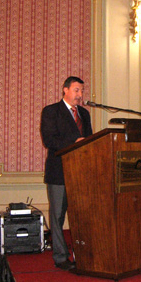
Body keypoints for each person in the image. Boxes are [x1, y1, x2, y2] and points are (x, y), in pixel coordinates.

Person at [40, 76, 93, 270]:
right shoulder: (51, 111)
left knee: (80, 216)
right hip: (59, 172)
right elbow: (49, 140)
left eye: (82, 91)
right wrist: (74, 143)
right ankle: (61, 257)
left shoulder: (84, 114)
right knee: (57, 217)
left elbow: (88, 139)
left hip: (80, 173)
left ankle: (82, 255)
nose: (80, 94)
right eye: (76, 90)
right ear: (65, 90)